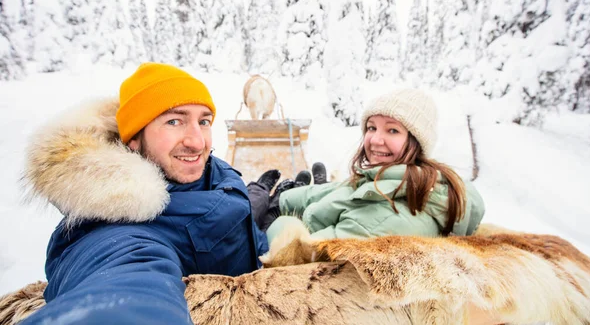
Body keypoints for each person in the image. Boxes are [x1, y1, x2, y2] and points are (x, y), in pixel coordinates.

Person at [21, 63, 269, 324]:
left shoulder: (202, 172)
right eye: (174, 121)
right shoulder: (119, 231)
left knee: (261, 201)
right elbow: (126, 287)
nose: (198, 142)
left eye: (204, 121)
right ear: (134, 139)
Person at [267, 88, 485, 242]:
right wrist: (284, 199)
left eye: (392, 130)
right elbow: (341, 191)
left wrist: (271, 219)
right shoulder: (392, 180)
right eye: (372, 128)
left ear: (417, 142)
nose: (375, 140)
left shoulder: (388, 220)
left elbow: (300, 254)